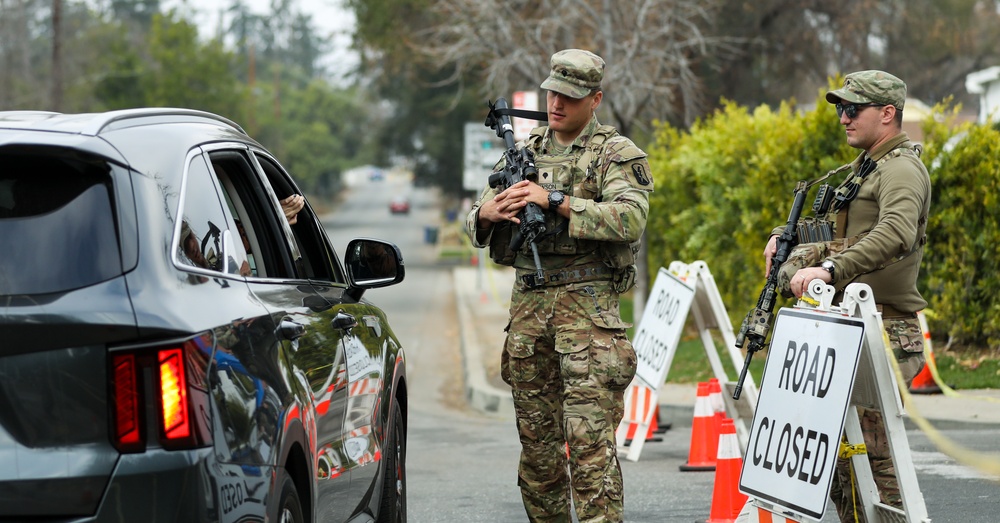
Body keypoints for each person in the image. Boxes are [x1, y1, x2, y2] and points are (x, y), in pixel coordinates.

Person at [465, 49, 653, 523]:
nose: (556, 104)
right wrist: (486, 214)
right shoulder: (523, 152)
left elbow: (630, 218)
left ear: (595, 99)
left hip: (587, 314)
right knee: (539, 455)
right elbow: (477, 216)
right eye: (552, 93)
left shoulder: (615, 153)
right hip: (529, 313)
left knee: (590, 449)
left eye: (570, 96)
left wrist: (555, 201)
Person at [763, 70, 931, 522]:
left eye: (853, 109)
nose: (843, 118)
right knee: (836, 454)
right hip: (848, 325)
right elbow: (836, 227)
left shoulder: (901, 170)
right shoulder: (866, 167)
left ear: (888, 113)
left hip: (886, 328)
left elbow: (895, 232)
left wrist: (831, 269)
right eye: (841, 108)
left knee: (874, 453)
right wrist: (784, 236)